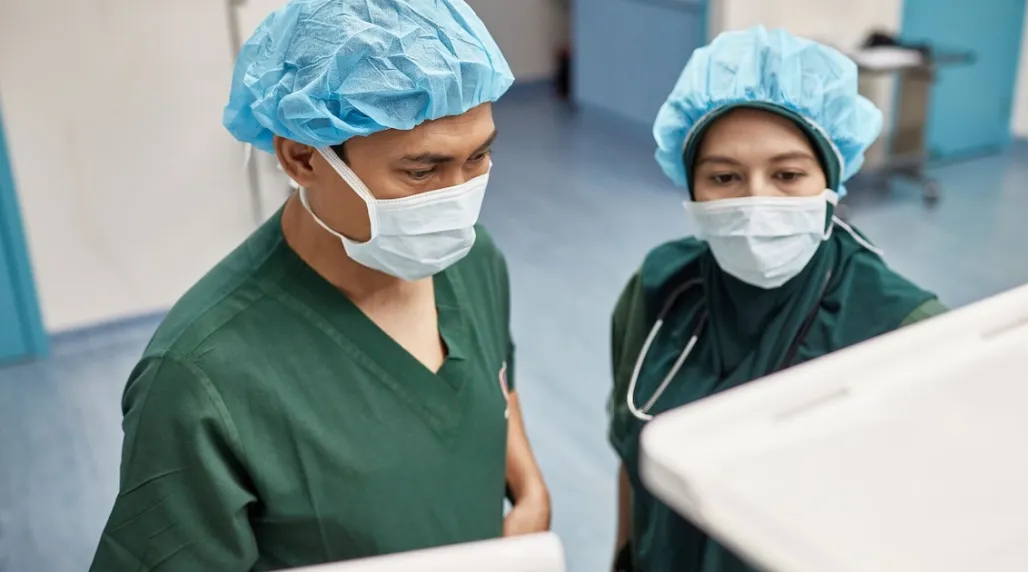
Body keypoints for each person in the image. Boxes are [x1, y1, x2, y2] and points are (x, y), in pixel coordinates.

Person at [89, 1, 550, 570]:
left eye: (478, 156)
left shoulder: (475, 261)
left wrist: (530, 489)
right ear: (303, 157)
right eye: (421, 170)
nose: (457, 199)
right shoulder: (198, 379)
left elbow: (497, 387)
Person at [607, 27, 945, 572]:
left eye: (788, 174)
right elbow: (631, 455)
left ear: (830, 182)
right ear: (691, 189)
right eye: (724, 177)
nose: (757, 199)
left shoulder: (900, 326)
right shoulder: (660, 289)